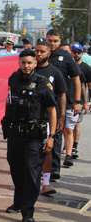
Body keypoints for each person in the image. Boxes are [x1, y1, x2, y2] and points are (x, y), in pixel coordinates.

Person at [2, 49, 56, 222]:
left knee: (32, 173)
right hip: (15, 134)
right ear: (19, 63)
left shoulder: (43, 83)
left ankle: (28, 212)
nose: (26, 66)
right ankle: (17, 203)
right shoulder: (13, 79)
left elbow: (52, 110)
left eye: (29, 63)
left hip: (34, 137)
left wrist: (52, 136)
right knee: (16, 170)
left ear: (35, 63)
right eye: (23, 63)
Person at [46, 29, 81, 180]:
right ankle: (38, 167)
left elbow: (76, 79)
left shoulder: (66, 57)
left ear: (60, 42)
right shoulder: (38, 55)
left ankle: (54, 169)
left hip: (58, 103)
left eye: (55, 41)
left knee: (56, 134)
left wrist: (78, 101)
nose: (52, 44)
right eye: (50, 40)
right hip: (39, 104)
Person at [34, 41, 67, 196]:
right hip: (30, 118)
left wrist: (61, 117)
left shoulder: (55, 72)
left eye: (42, 52)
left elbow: (61, 95)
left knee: (47, 149)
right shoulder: (28, 69)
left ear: (48, 53)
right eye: (37, 51)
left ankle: (46, 183)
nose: (38, 54)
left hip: (47, 118)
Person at [70, 43, 91, 160]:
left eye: (78, 52)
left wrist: (86, 102)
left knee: (76, 123)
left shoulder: (86, 68)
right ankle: (67, 145)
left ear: (82, 54)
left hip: (80, 100)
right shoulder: (69, 66)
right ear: (71, 53)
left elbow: (87, 85)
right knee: (68, 126)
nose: (76, 54)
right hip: (68, 99)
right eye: (74, 52)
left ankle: (74, 147)